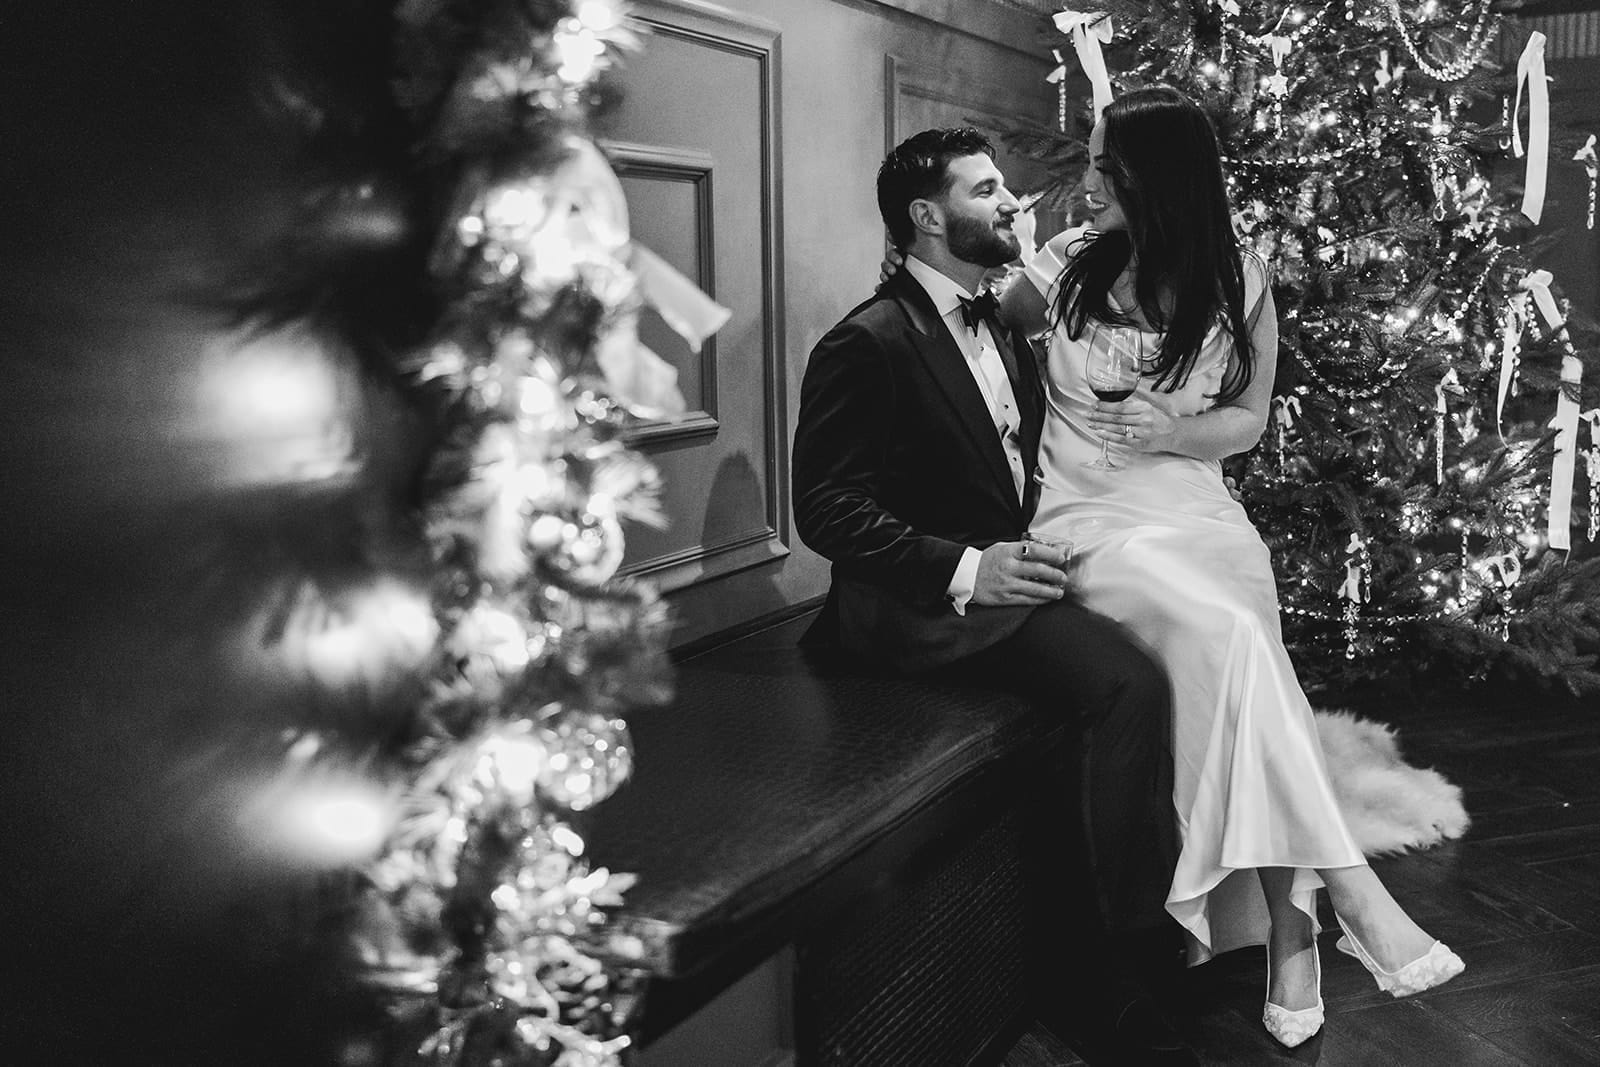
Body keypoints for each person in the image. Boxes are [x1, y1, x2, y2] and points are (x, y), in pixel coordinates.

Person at [994, 86, 1466, 1048]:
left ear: (1156, 180)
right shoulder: (1063, 263)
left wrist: (1174, 430)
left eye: (1106, 168)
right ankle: (1336, 902)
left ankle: (1296, 934)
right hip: (1088, 516)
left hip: (1195, 509)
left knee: (1236, 634)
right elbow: (974, 333)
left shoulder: (1239, 275)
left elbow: (1246, 420)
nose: (1087, 184)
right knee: (1232, 633)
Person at [792, 127, 1197, 1064]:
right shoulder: (865, 341)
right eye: (985, 190)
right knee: (1126, 684)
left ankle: (1147, 923)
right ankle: (1097, 973)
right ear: (927, 218)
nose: (1013, 200)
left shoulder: (1003, 318)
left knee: (1170, 631)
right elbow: (826, 511)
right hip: (919, 609)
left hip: (1014, 579)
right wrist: (972, 569)